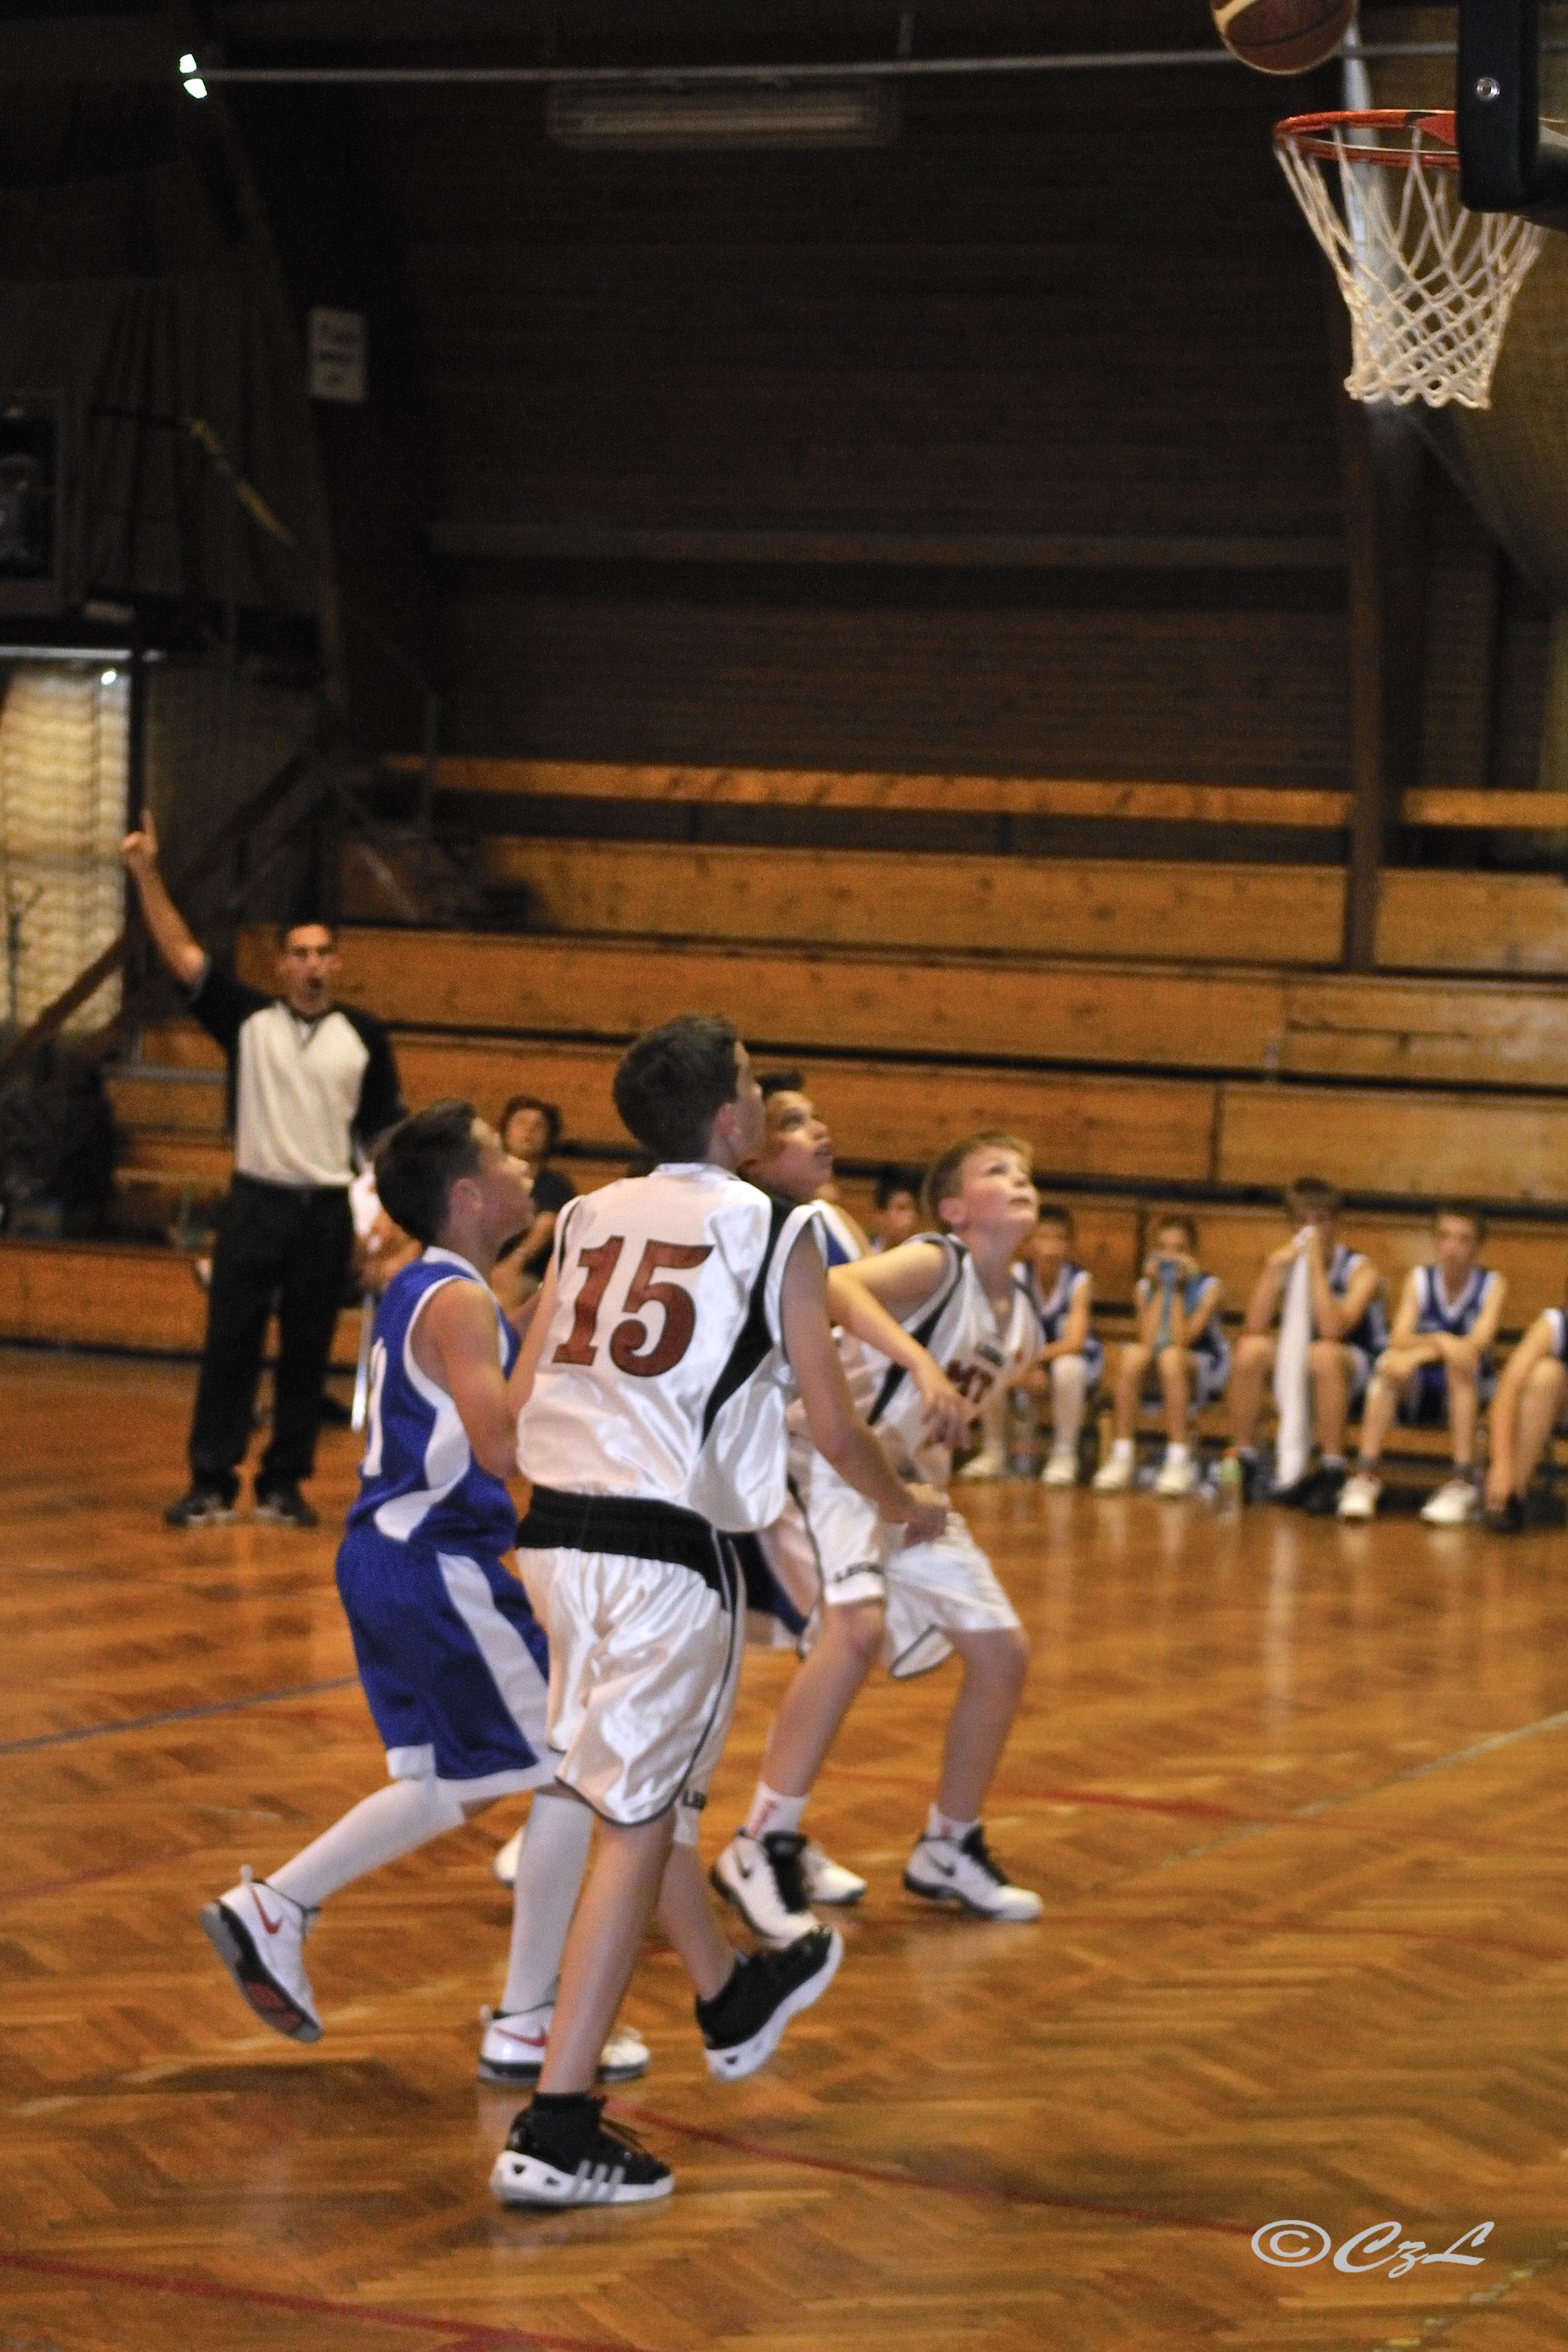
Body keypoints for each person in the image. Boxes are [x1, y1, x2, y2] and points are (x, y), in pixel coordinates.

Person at [490, 1015, 947, 2210]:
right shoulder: (775, 1225)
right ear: (730, 1117)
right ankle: (558, 2122)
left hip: (555, 1539)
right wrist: (902, 1505)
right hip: (661, 1554)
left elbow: (524, 1389)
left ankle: (729, 1994)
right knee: (636, 1821)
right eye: (751, 1081)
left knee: (631, 1789)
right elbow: (835, 1426)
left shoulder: (586, 1214)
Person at [197, 1102, 643, 2084]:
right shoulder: (459, 1301)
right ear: (469, 1195)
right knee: (573, 1765)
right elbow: (502, 1445)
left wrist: (558, 1303)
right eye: (504, 1159)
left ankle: (274, 1905)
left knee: (454, 1779)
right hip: (438, 1563)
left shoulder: (427, 1283)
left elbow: (487, 1378)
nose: (525, 1169)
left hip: (386, 1559)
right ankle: (529, 2018)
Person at [710, 1131, 1043, 1952]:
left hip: (907, 1488)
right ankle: (762, 1840)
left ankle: (948, 1844)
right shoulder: (939, 1261)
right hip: (830, 1463)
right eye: (997, 1170)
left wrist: (928, 1477)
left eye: (1025, 1171)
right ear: (954, 1209)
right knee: (854, 1631)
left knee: (1003, 1654)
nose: (1020, 1179)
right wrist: (917, 1361)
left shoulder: (1024, 1318)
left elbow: (936, 1426)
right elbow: (834, 1286)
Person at [120, 809, 403, 1528]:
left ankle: (284, 1483)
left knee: (307, 1351)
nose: (312, 964)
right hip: (255, 1203)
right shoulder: (247, 1019)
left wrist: (388, 1223)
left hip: (325, 1211)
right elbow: (182, 954)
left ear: (337, 964)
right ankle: (211, 1481)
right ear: (281, 967)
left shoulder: (365, 1036)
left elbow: (383, 1137)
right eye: (299, 954)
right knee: (230, 1346)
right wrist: (146, 872)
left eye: (323, 953)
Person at [1220, 1177, 1386, 1514]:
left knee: (1323, 1354)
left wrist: (1314, 1268)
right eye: (1301, 1222)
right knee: (1251, 1350)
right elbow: (1255, 1325)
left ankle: (1332, 1468)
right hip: (1300, 1361)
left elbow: (1333, 1329)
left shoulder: (1361, 1270)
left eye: (1320, 1221)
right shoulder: (1285, 1260)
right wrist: (1273, 1269)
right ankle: (1247, 1458)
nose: (1310, 1231)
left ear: (1336, 1223)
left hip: (1355, 1367)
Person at [1338, 1208, 1505, 1525]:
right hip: (1423, 1383)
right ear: (1435, 1241)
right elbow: (1399, 1336)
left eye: (1464, 1240)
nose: (1453, 1247)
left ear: (1477, 1246)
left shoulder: (1492, 1284)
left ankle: (1462, 1482)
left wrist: (1419, 1353)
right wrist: (1441, 1341)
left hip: (1470, 1388)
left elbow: (1475, 1344)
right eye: (1445, 1237)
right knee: (1390, 1366)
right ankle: (1364, 1476)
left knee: (1459, 1366)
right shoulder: (1420, 1279)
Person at [1092, 1214, 1229, 1496]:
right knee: (1132, 1356)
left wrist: (1174, 1289)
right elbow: (1148, 1340)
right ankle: (1122, 1454)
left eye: (1179, 1250)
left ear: (1193, 1255)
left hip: (1203, 1365)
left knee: (1171, 1358)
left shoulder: (1210, 1288)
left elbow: (1183, 1340)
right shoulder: (1144, 1288)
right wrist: (1160, 1289)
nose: (1171, 1257)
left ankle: (1178, 1459)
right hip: (1162, 1363)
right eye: (1164, 1249)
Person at [1005, 1204, 1102, 1487]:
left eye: (1059, 1239)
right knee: (993, 1360)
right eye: (1044, 1237)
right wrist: (1028, 1366)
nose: (1051, 1247)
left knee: (1067, 1367)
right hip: (1031, 1357)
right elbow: (1010, 1333)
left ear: (1070, 1246)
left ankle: (1064, 1453)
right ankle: (995, 1450)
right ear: (1028, 1244)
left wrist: (1035, 1360)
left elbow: (1074, 1343)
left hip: (1076, 1362)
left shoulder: (1079, 1281)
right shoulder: (1017, 1275)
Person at [1483, 1299, 1568, 1531]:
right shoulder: (1554, 1325)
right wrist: (1502, 1465)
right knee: (1545, 1376)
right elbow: (1507, 1390)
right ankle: (1511, 1496)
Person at [491, 1095, 576, 1314]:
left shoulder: (555, 1185)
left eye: (539, 1126)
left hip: (528, 1275)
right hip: (480, 1267)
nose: (529, 1131)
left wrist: (514, 1263)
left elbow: (545, 1226)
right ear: (505, 1130)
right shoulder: (484, 1179)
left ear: (549, 1137)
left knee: (506, 1293)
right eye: (521, 1123)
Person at [869, 1163, 924, 1253]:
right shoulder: (861, 1253)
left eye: (916, 1209)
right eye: (902, 1208)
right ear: (880, 1215)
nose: (911, 1217)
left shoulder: (926, 1254)